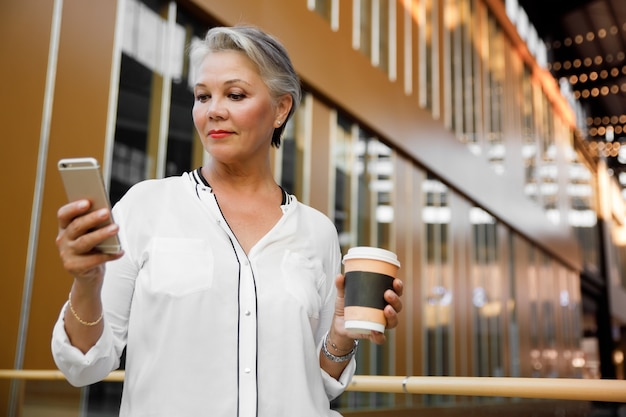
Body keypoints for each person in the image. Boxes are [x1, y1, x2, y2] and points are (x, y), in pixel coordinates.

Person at [51, 24, 404, 417]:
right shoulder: (145, 207)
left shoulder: (317, 231)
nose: (213, 109)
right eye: (203, 96)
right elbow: (84, 366)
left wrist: (340, 334)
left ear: (281, 109)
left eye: (235, 95)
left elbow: (319, 383)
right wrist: (87, 283)